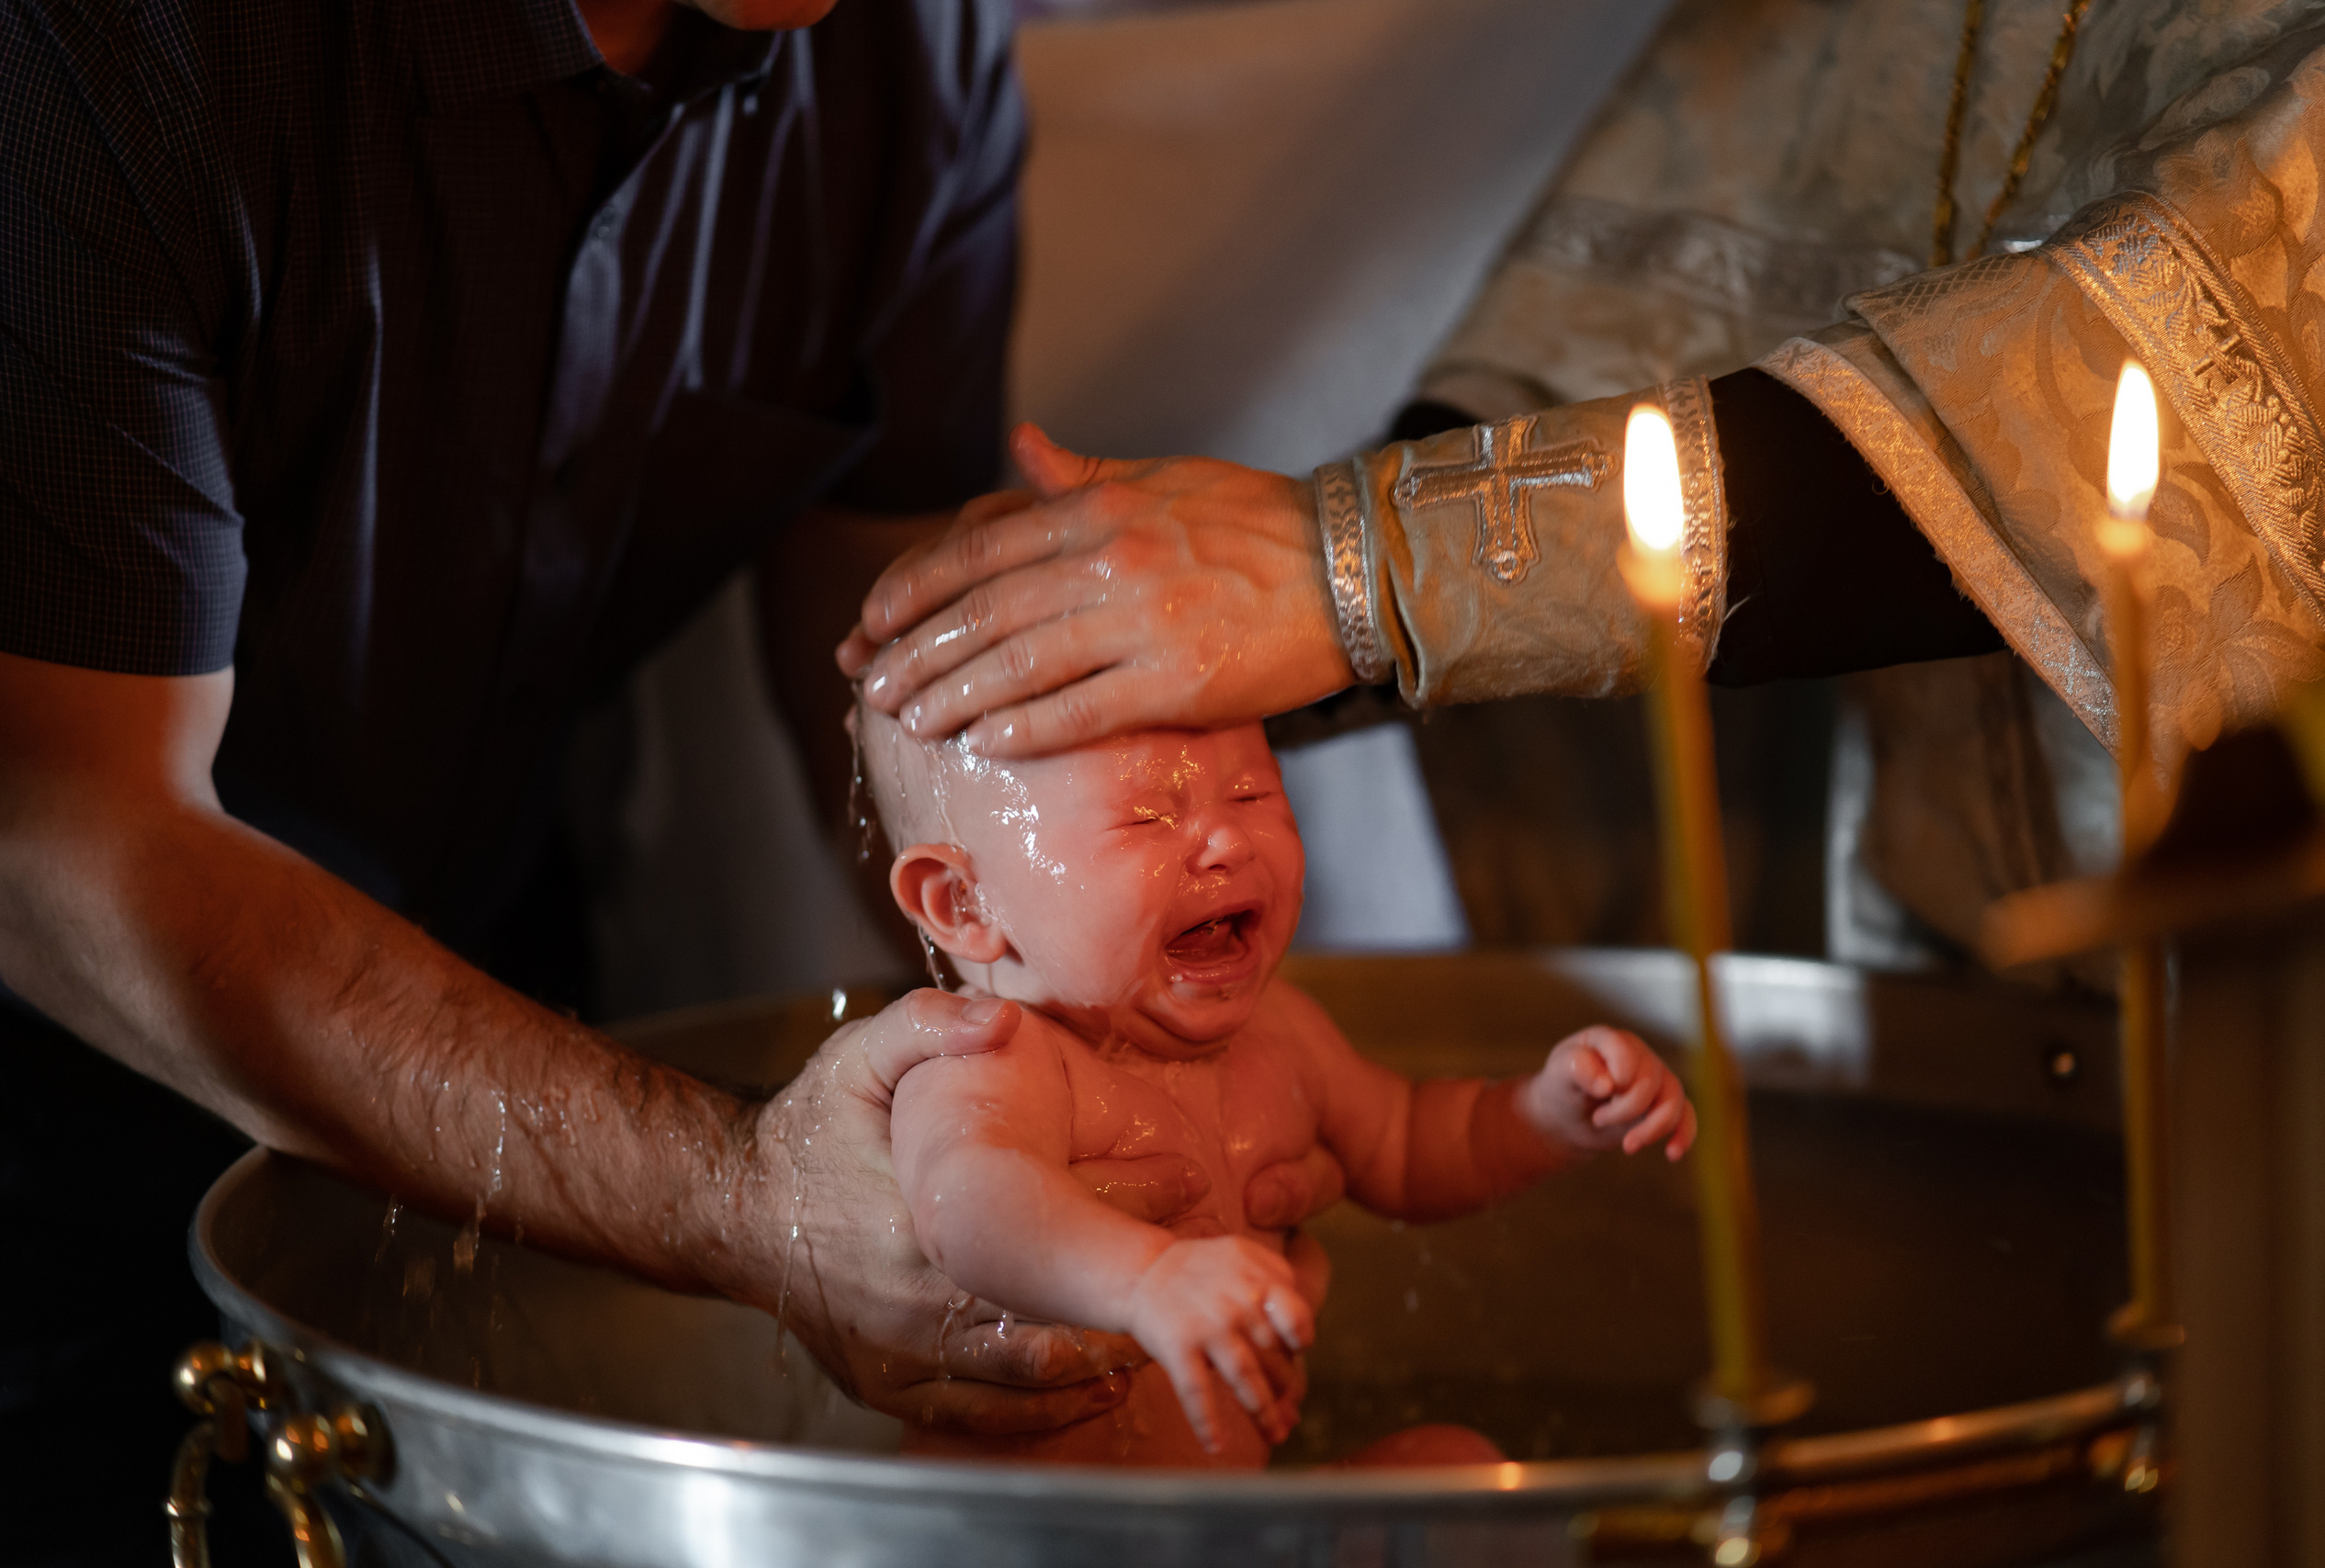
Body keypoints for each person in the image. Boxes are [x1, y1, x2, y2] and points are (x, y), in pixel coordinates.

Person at [0, 0, 1336, 1557]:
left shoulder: (907, 51)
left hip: (494, 1010)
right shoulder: (104, 56)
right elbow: (66, 839)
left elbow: (898, 664)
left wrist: (1119, 1094)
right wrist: (749, 1198)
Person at [840, 0, 2325, 967]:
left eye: (1227, 796)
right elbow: (1666, 302)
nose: (1216, 829)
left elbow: (2161, 394)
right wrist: (1190, 636)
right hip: (1957, 953)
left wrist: (1350, 574)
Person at [855, 703, 1694, 1464]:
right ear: (964, 901)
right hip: (1026, 1545)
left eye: (1255, 795)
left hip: (1230, 1532)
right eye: (1148, 816)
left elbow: (1410, 1145)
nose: (1228, 841)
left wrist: (1547, 1112)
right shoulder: (992, 1057)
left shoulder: (1281, 1035)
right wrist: (1146, 1278)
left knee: (1454, 1467)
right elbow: (966, 1204)